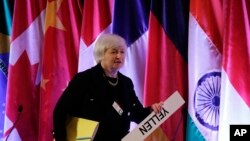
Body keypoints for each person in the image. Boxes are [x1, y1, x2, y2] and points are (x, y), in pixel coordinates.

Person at [53, 33, 163, 141]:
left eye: (122, 52)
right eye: (114, 52)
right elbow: (60, 111)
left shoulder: (126, 83)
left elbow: (137, 114)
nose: (119, 56)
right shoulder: (84, 79)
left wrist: (152, 110)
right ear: (101, 54)